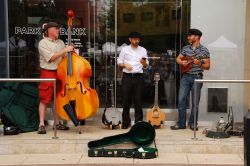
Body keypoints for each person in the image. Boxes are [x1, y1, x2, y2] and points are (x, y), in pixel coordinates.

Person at [37, 22, 74, 134]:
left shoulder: (61, 42)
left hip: (60, 72)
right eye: (56, 28)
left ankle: (57, 123)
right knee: (44, 98)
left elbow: (63, 58)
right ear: (49, 30)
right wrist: (65, 50)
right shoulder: (43, 43)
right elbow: (52, 58)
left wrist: (71, 51)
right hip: (48, 72)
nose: (58, 30)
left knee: (57, 99)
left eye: (58, 28)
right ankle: (42, 124)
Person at [170, 28, 210, 131]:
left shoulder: (204, 50)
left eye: (190, 35)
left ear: (197, 37)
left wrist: (199, 63)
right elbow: (178, 58)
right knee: (181, 100)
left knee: (195, 103)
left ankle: (193, 123)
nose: (188, 37)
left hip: (197, 77)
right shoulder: (186, 48)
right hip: (186, 77)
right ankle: (181, 123)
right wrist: (182, 62)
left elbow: (208, 66)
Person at [117, 31, 149, 129]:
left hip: (138, 77)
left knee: (138, 100)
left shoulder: (143, 50)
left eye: (138, 39)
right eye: (134, 39)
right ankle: (126, 122)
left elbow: (146, 65)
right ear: (130, 39)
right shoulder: (124, 49)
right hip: (127, 76)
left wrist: (144, 63)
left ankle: (138, 123)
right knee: (126, 100)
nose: (136, 41)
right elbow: (119, 62)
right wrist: (124, 65)